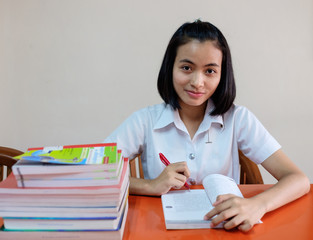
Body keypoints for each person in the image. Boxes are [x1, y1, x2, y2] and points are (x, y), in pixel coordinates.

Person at [104, 20, 310, 232]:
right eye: (186, 68)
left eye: (210, 71)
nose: (197, 81)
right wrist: (150, 185)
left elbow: (298, 179)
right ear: (170, 68)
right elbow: (95, 172)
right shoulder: (145, 121)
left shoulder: (238, 118)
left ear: (222, 75)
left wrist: (258, 205)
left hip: (226, 230)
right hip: (161, 230)